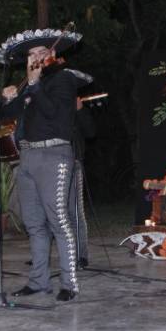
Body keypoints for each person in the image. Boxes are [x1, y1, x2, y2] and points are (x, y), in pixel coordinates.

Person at [0, 45, 80, 302]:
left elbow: (54, 112)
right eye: (30, 55)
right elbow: (5, 117)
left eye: (40, 53)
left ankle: (69, 283)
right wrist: (7, 99)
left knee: (59, 219)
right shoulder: (28, 85)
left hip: (54, 154)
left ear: (51, 56)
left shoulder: (63, 79)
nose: (34, 58)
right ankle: (38, 281)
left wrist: (34, 86)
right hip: (27, 156)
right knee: (33, 223)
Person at [71, 96, 96, 268]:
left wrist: (80, 111)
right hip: (51, 163)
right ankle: (41, 255)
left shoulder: (75, 109)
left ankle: (81, 255)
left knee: (76, 212)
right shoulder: (52, 107)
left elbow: (91, 132)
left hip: (73, 162)